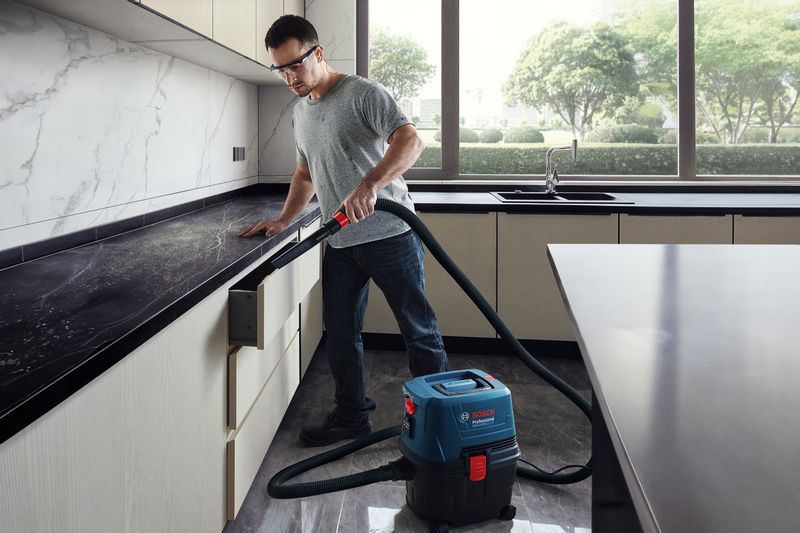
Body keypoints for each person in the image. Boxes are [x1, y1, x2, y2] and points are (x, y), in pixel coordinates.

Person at [240, 15, 448, 446]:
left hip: (391, 234)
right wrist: (283, 219)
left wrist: (370, 183)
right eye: (280, 70)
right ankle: (351, 417)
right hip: (340, 241)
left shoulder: (363, 94)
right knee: (341, 333)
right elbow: (304, 174)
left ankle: (440, 419)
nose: (289, 78)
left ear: (317, 53)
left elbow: (411, 140)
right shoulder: (300, 112)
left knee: (418, 330)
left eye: (295, 65)